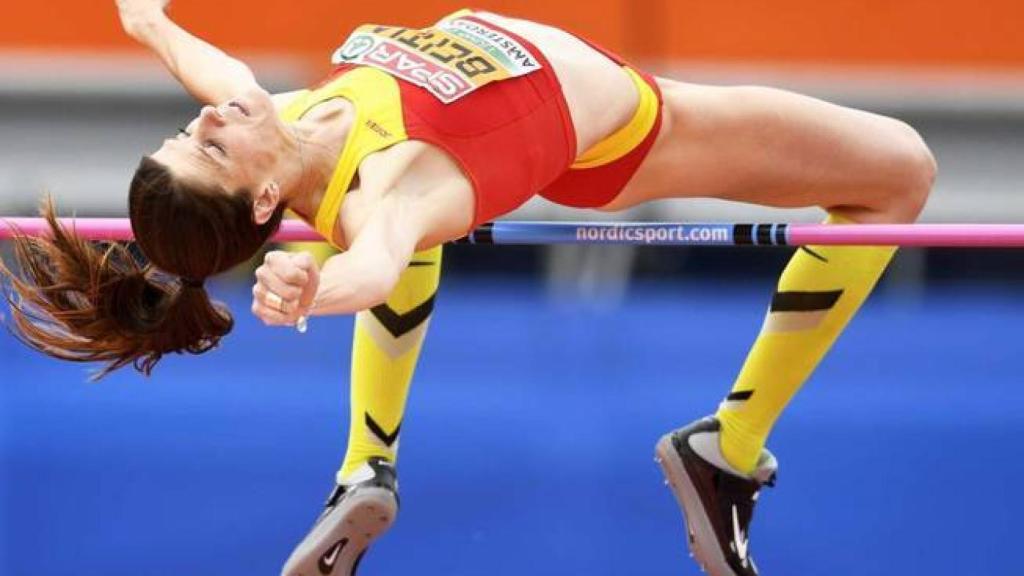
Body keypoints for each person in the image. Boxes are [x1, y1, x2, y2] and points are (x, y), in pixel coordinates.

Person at [0, 1, 936, 575]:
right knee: (900, 173)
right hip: (642, 128)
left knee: (397, 240)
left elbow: (211, 73)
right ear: (262, 201)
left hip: (550, 108)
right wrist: (312, 288)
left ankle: (366, 466)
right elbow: (374, 261)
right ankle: (726, 450)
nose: (205, 116)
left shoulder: (277, 122)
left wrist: (148, 20)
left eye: (184, 129)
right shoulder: (391, 189)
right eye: (206, 143)